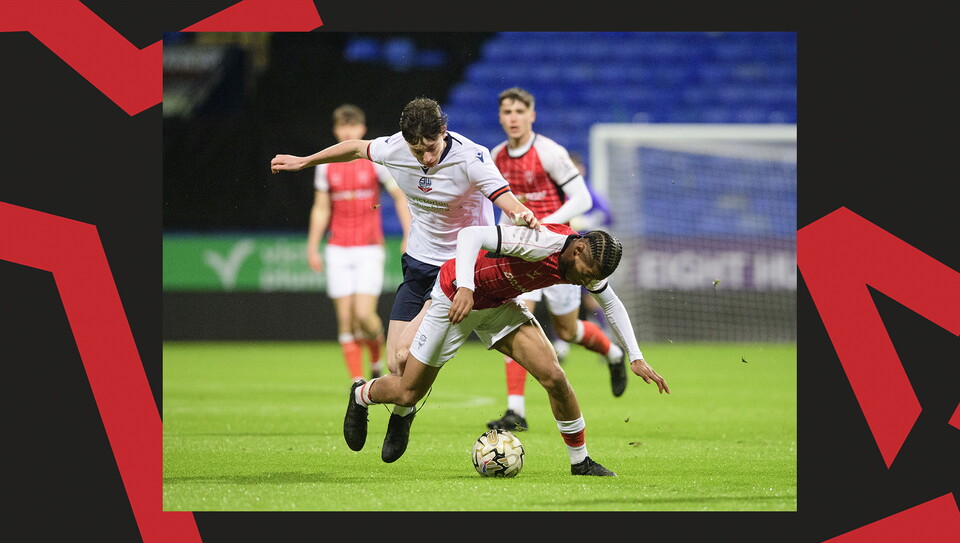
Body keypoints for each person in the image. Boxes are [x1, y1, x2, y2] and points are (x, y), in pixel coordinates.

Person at [271, 97, 541, 462]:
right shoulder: (396, 147)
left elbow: (503, 197)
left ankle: (384, 404)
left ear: (442, 133)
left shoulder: (471, 157)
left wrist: (522, 214)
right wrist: (305, 161)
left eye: (431, 148)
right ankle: (387, 405)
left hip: (455, 270)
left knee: (404, 354)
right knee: (397, 367)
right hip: (417, 266)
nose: (425, 158)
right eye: (417, 150)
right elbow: (353, 148)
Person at [343, 222, 670, 475]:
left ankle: (580, 461)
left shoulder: (588, 263)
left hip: (500, 305)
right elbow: (471, 235)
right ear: (579, 248)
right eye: (584, 275)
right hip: (455, 299)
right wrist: (467, 288)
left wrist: (636, 357)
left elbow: (611, 304)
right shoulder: (540, 241)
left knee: (555, 377)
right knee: (407, 392)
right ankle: (361, 394)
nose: (583, 283)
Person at [486, 87, 628, 434]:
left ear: (532, 115)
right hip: (520, 253)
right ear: (501, 116)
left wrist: (550, 225)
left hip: (557, 256)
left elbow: (580, 198)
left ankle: (612, 353)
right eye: (507, 112)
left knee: (569, 330)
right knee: (517, 319)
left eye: (520, 111)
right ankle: (514, 410)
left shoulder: (549, 152)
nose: (513, 118)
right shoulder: (496, 156)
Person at [307, 104, 411, 382]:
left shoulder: (374, 162)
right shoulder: (326, 165)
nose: (347, 131)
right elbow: (321, 208)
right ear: (336, 130)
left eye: (352, 126)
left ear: (362, 129)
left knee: (364, 315)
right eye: (343, 126)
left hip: (368, 247)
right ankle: (357, 382)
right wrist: (312, 246)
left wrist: (408, 234)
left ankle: (375, 363)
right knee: (347, 320)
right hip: (338, 248)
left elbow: (400, 196)